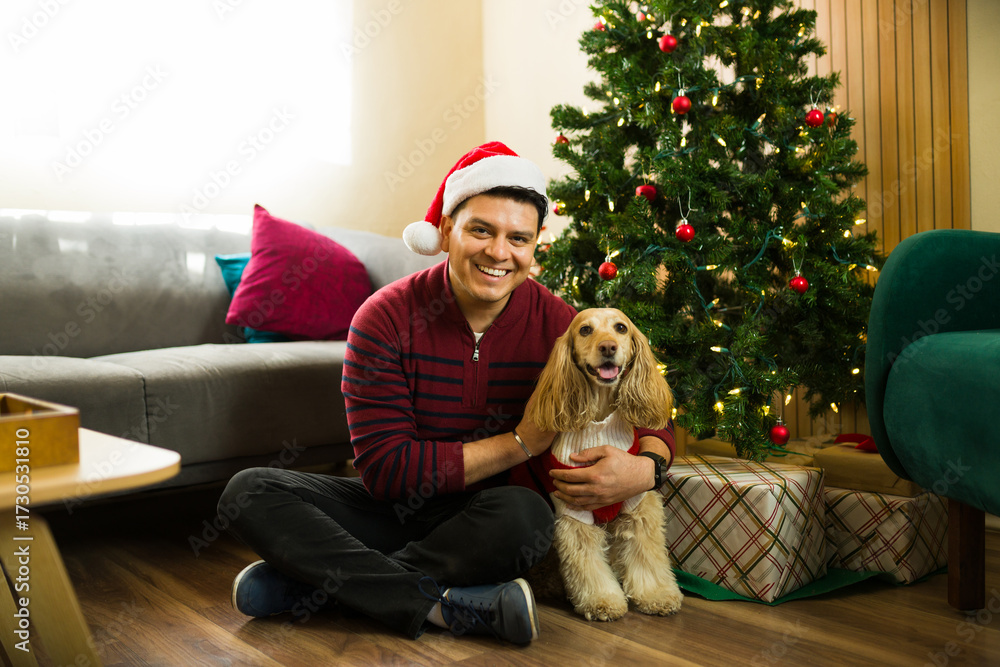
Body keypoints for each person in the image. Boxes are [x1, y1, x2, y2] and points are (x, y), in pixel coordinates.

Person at [219, 141, 675, 644]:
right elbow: (388, 471)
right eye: (481, 230)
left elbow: (646, 407)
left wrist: (645, 467)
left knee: (526, 517)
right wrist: (520, 443)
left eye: (518, 238)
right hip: (390, 511)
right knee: (249, 491)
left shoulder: (563, 325)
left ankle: (316, 587)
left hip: (488, 522)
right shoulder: (383, 318)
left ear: (534, 246)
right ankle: (440, 605)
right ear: (445, 231)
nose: (499, 253)